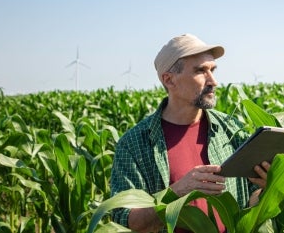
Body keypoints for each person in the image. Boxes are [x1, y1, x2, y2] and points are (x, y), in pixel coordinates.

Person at [110, 33, 270, 233]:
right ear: (169, 80)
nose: (213, 81)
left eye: (213, 70)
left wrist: (265, 188)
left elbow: (250, 202)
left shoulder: (230, 130)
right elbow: (125, 220)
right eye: (201, 71)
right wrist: (178, 192)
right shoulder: (134, 143)